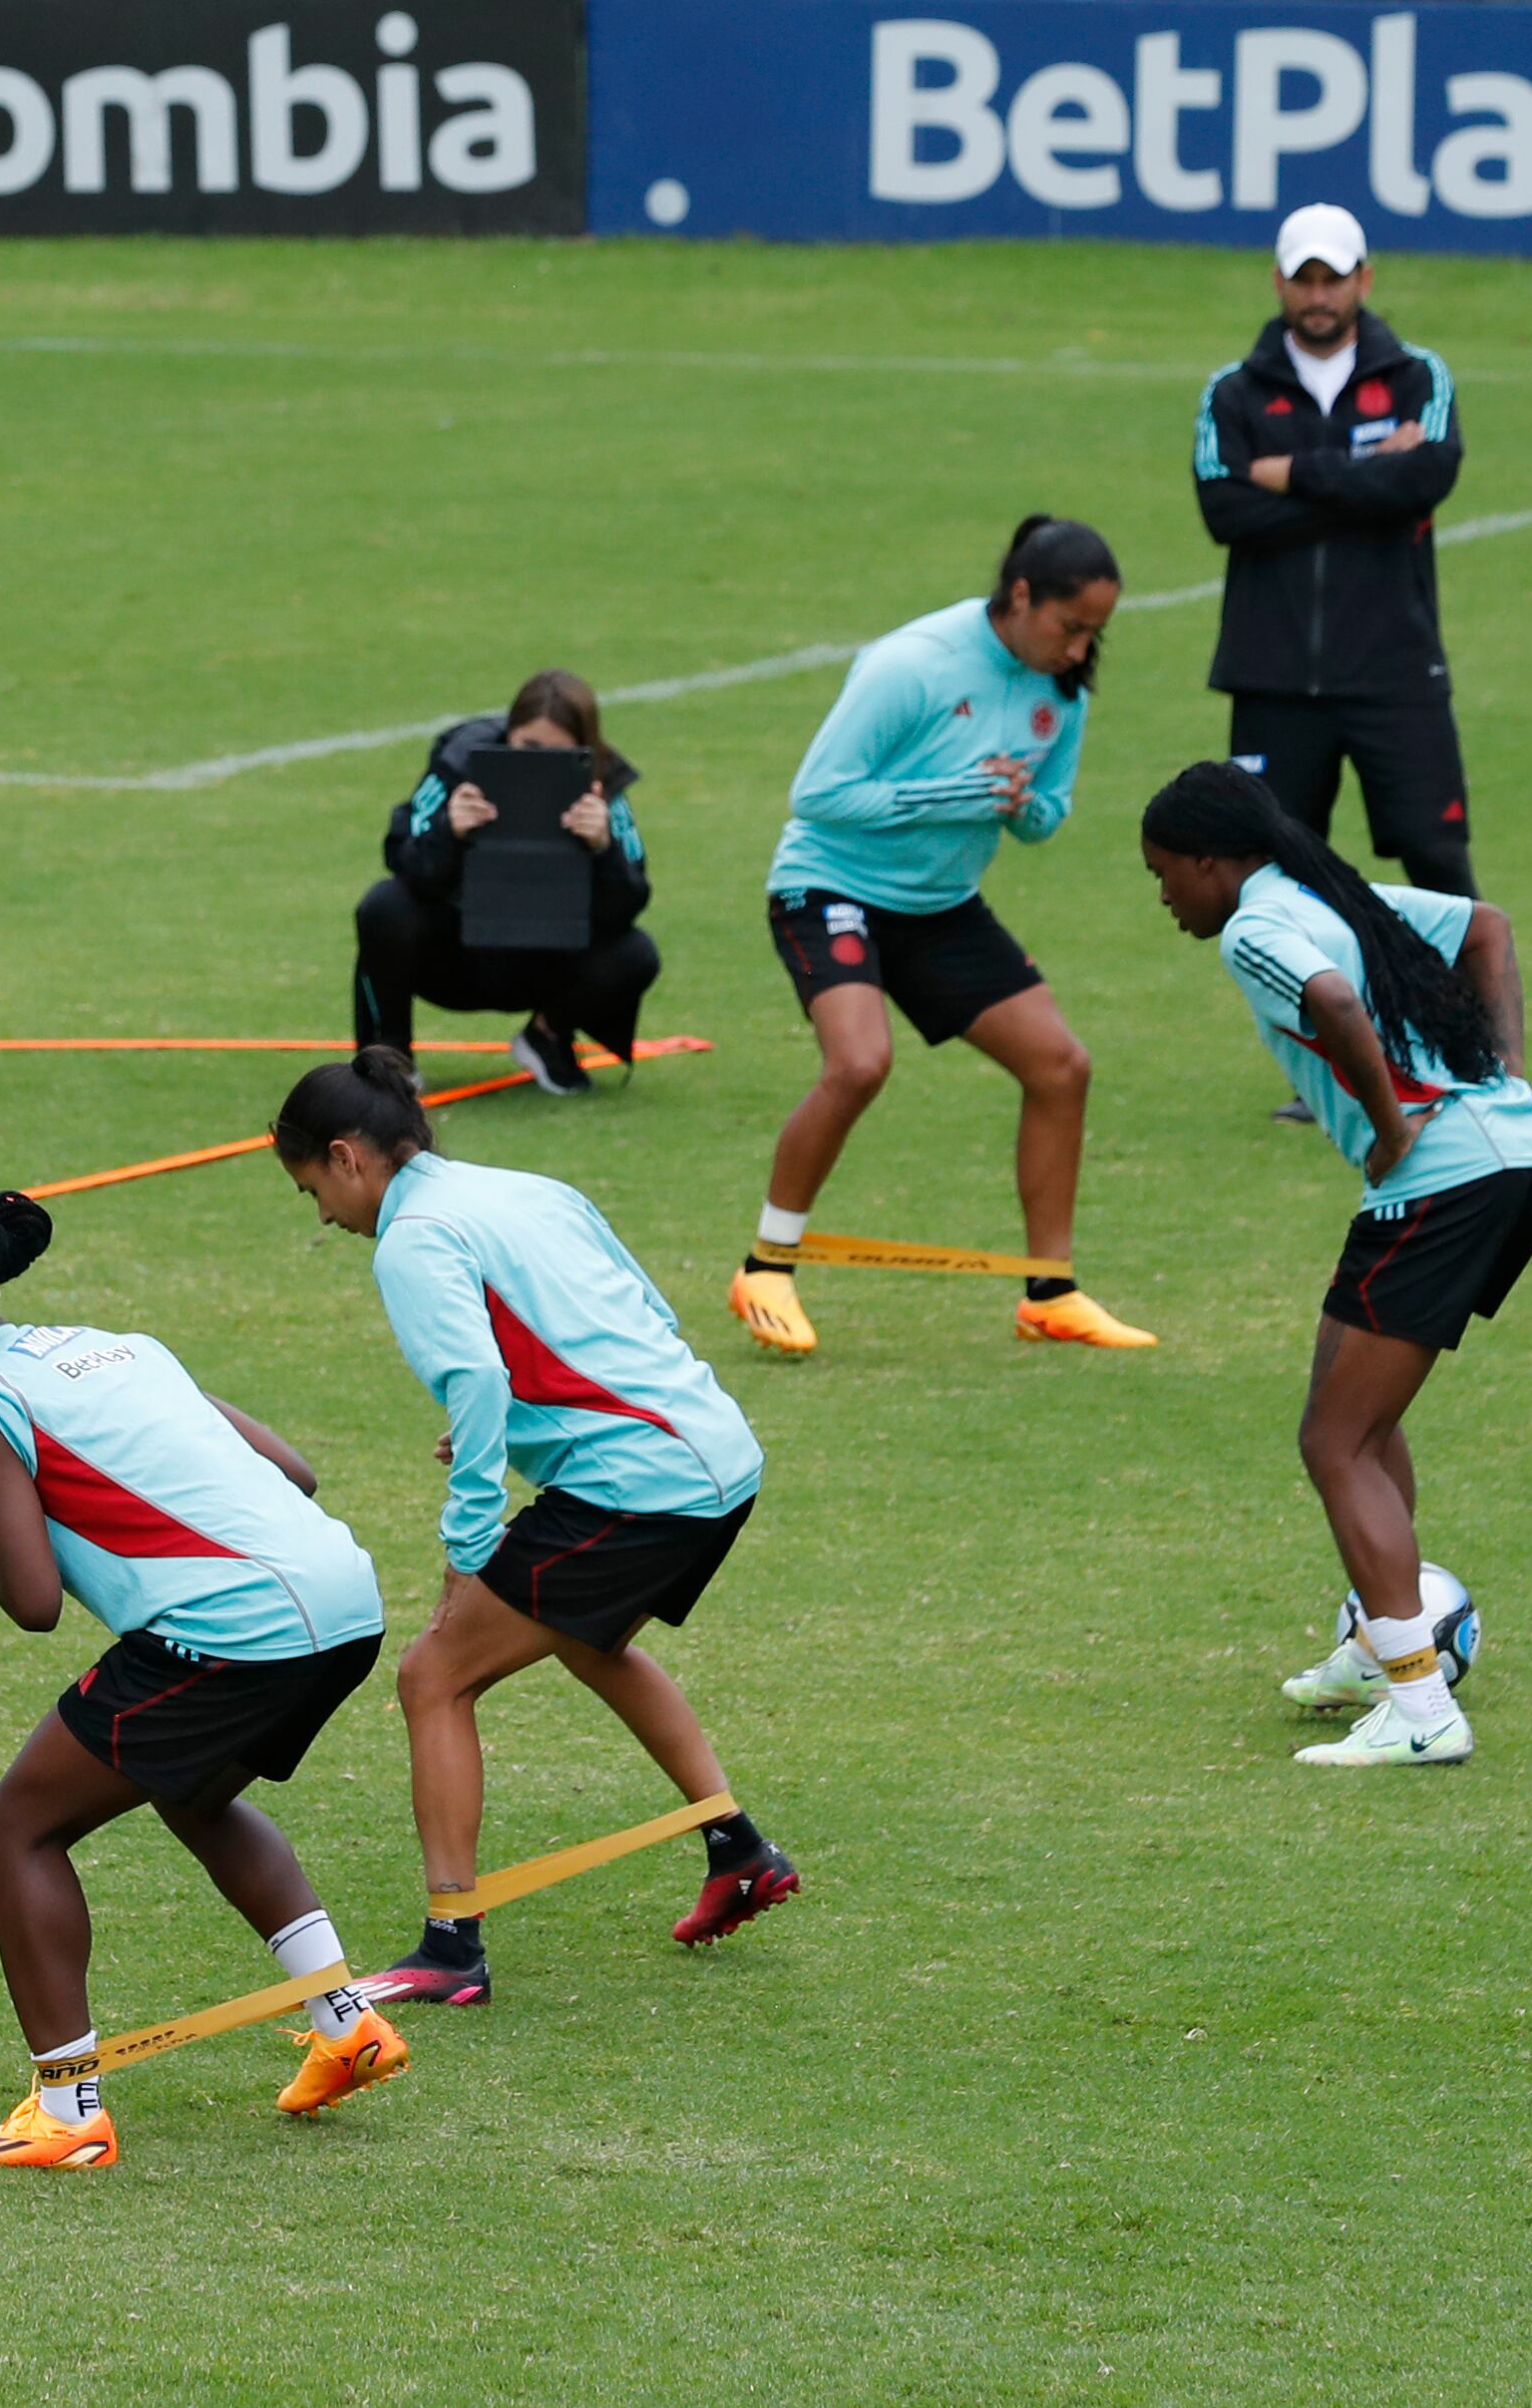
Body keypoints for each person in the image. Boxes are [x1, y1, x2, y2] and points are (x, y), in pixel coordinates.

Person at [0, 1192, 403, 2170]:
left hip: (234, 1634)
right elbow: (296, 1470)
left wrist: (18, 1506)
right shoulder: (121, 1348)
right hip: (347, 1603)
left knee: (18, 1824)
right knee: (191, 1789)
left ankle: (67, 2115)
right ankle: (346, 2021)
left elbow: (32, 1601)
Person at [272, 1052, 795, 2007]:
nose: (322, 1215)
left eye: (312, 1189)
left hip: (640, 1485)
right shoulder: (524, 1188)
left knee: (434, 1674)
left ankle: (449, 1946)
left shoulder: (412, 1237)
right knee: (587, 1635)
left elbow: (474, 1380)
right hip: (717, 1453)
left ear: (347, 1158)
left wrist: (467, 1552)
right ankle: (739, 1847)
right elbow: (637, 1310)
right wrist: (533, 1425)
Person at [1139, 765, 1532, 1770]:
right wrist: (1505, 1077)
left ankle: (1421, 1710)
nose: (1163, 898)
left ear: (1209, 862)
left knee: (1337, 1443)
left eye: (1163, 876)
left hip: (1442, 1183)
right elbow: (1487, 925)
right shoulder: (1329, 891)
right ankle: (1383, 1649)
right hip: (1510, 1157)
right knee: (1355, 1412)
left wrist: (1391, 1123)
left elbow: (1331, 998)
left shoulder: (1254, 928)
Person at [728, 516, 1158, 1358]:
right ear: (1022, 596)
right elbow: (817, 794)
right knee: (858, 1062)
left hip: (938, 902)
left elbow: (1045, 818)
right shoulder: (912, 664)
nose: (1078, 652)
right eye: (1069, 629)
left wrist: (1019, 803)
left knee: (1060, 1066)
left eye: (1093, 635)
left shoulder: (1058, 692)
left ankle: (1049, 1290)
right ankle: (765, 1265)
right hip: (829, 886)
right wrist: (954, 796)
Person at [1193, 204, 1475, 910]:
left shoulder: (1417, 376)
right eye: (1304, 279)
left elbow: (1423, 480)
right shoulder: (1231, 391)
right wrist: (1365, 477)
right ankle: (1302, 1024)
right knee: (1271, 878)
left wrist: (1287, 472)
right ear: (1277, 284)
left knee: (1435, 856)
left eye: (1334, 279)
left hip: (1395, 675)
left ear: (1365, 280)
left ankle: (1477, 1022)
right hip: (1272, 678)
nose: (1319, 296)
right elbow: (1225, 512)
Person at [352, 668, 655, 1095]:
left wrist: (603, 848)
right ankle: (390, 1059)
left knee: (637, 953)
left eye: (557, 753)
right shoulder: (460, 762)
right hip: (454, 956)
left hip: (548, 962)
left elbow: (628, 906)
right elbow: (401, 855)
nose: (537, 762)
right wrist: (449, 831)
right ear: (510, 731)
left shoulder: (602, 786)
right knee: (384, 906)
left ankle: (547, 1036)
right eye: (528, 746)